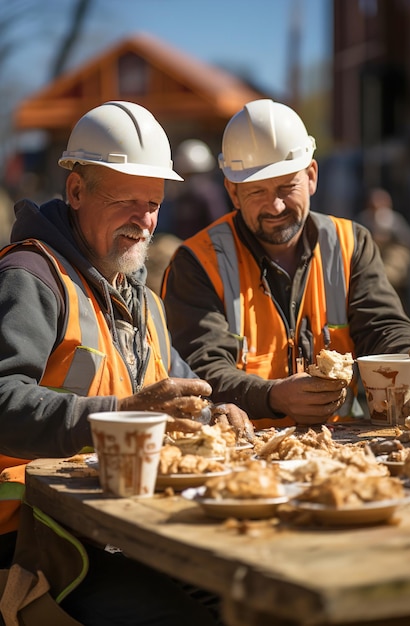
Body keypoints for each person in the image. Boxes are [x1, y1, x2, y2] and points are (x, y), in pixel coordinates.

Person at [0, 100, 254, 626]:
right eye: (127, 202)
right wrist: (117, 416)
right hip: (32, 542)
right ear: (76, 192)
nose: (145, 221)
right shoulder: (30, 278)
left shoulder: (142, 300)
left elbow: (170, 393)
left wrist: (213, 412)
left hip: (118, 528)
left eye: (154, 204)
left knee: (249, 603)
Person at [162, 98, 410, 430]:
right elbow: (199, 369)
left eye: (287, 186)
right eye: (256, 192)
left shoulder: (350, 243)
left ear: (311, 176)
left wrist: (408, 357)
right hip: (241, 452)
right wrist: (273, 396)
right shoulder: (197, 262)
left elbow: (383, 327)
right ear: (233, 192)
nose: (276, 205)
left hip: (339, 445)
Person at [356, 187, 410, 314]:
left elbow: (408, 241)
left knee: (388, 273)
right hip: (371, 254)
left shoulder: (394, 220)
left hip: (393, 256)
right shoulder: (363, 220)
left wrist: (390, 236)